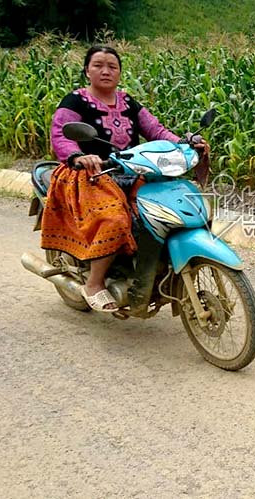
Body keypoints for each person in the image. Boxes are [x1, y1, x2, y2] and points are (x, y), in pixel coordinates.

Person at [40, 45, 210, 312]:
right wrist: (78, 156)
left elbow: (155, 130)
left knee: (164, 210)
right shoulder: (75, 101)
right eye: (98, 65)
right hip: (88, 174)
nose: (106, 71)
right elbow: (61, 135)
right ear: (87, 71)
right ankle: (94, 283)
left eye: (112, 66)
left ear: (119, 72)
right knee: (115, 219)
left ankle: (154, 269)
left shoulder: (128, 102)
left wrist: (183, 143)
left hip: (132, 171)